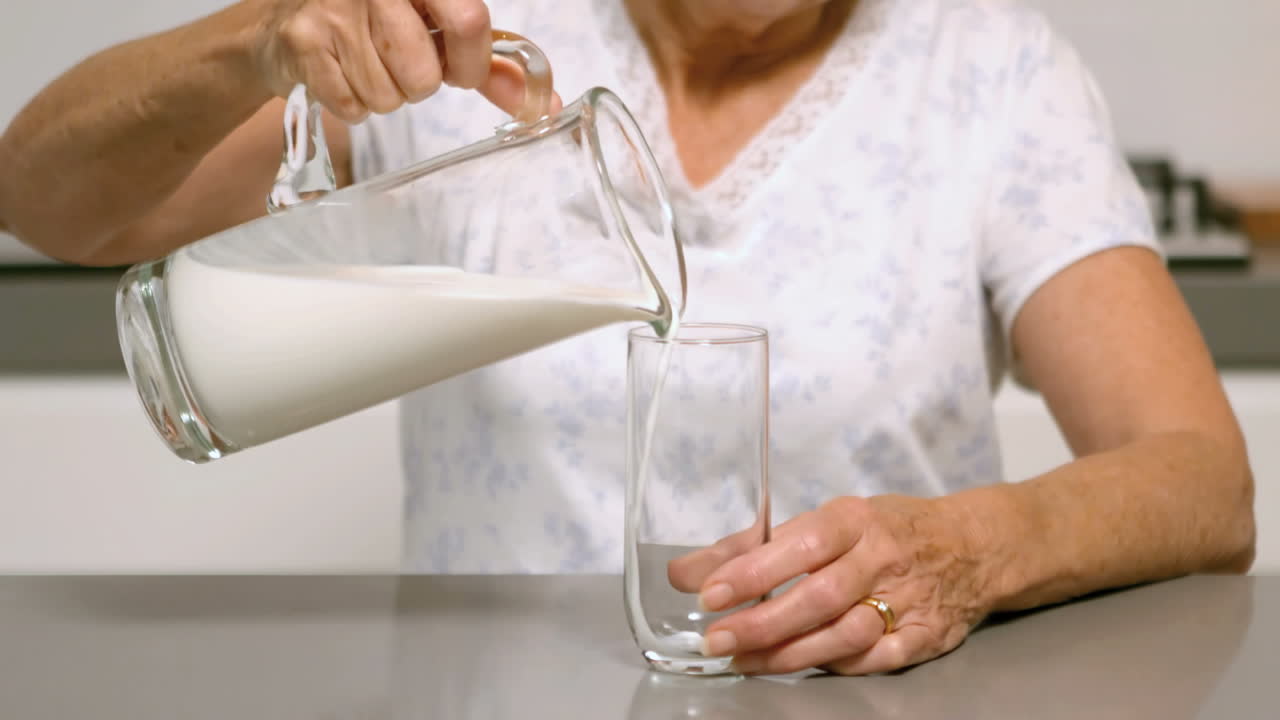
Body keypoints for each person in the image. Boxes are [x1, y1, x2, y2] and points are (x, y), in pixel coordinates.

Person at [0, 0, 1255, 676]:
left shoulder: (987, 71)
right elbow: (45, 202)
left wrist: (970, 551)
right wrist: (262, 35)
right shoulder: (462, 50)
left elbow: (1199, 479)